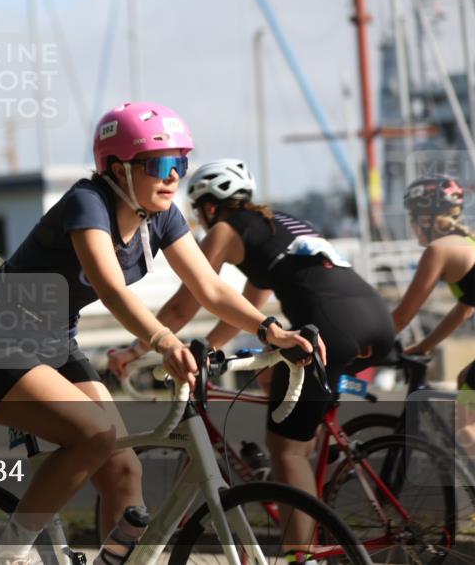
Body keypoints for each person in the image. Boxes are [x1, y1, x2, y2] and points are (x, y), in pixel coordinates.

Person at [0, 105, 317, 565]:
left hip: (53, 344)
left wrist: (271, 331)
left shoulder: (161, 216)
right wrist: (165, 342)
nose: (174, 176)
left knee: (124, 469)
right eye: (160, 165)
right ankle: (4, 549)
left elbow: (208, 287)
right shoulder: (88, 203)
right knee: (95, 435)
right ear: (118, 168)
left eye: (180, 163)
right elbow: (110, 288)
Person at [110, 158, 394, 564]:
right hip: (376, 321)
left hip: (331, 331)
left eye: (199, 212)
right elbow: (246, 313)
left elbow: (184, 304)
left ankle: (301, 556)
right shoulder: (276, 225)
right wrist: (207, 349)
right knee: (277, 385)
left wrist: (135, 351)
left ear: (210, 206)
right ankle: (302, 485)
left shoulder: (224, 230)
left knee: (285, 449)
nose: (201, 221)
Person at [392, 174, 475, 454]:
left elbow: (402, 317)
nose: (412, 223)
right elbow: (465, 309)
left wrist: (365, 349)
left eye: (412, 216)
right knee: (464, 378)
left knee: (465, 429)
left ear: (425, 217)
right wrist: (424, 345)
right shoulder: (467, 241)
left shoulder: (439, 250)